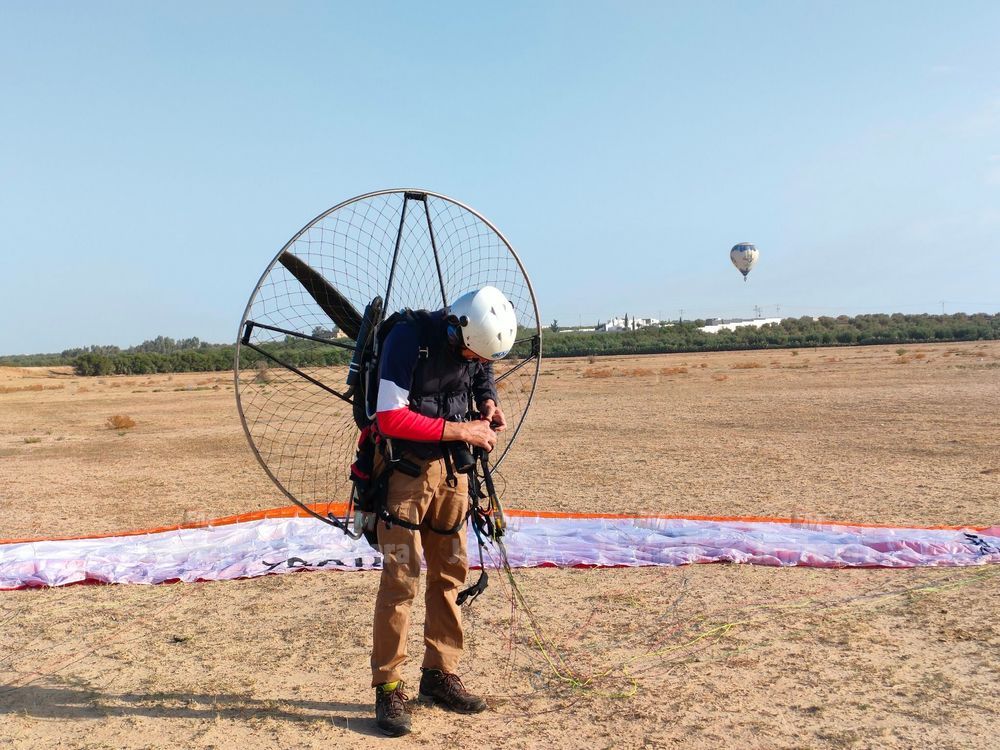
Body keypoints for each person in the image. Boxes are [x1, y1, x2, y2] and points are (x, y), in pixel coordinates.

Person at [369, 285, 518, 737]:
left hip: (453, 474)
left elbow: (481, 372)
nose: (474, 361)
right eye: (472, 353)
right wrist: (464, 431)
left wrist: (488, 402)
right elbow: (389, 417)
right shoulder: (407, 340)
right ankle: (389, 687)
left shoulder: (474, 345)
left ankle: (439, 673)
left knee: (450, 573)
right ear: (457, 329)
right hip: (405, 474)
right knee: (400, 579)